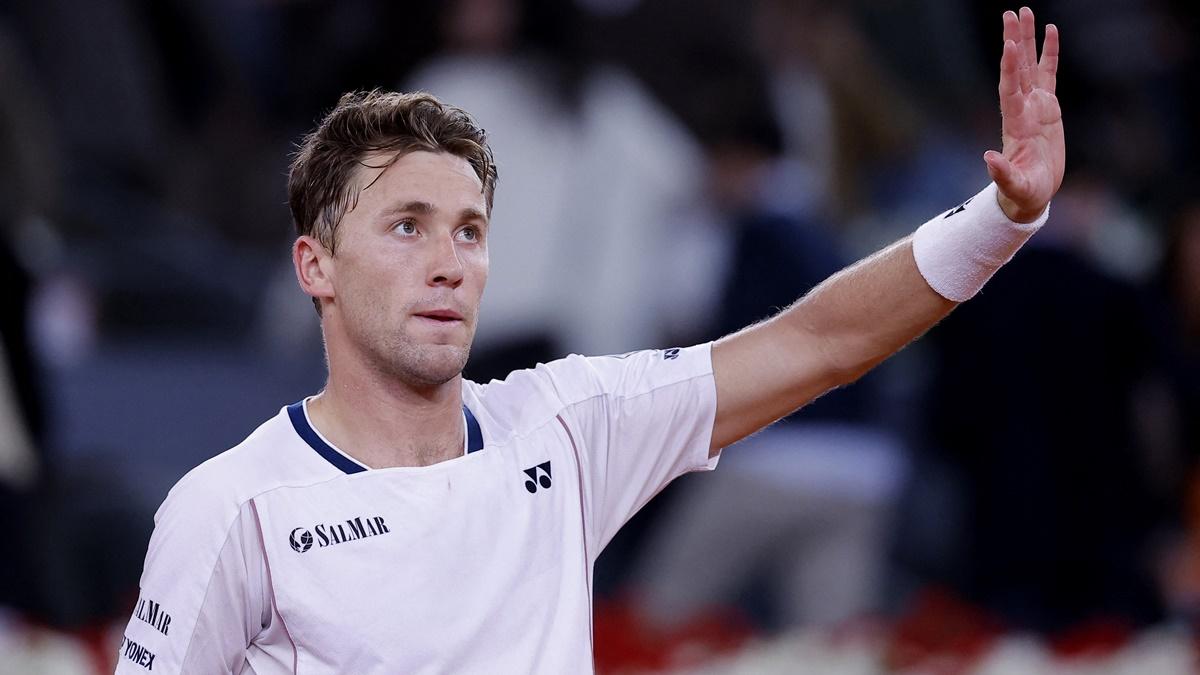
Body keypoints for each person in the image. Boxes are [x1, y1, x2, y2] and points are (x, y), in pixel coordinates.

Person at [116, 7, 1063, 673]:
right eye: (405, 226)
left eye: (471, 230)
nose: (449, 261)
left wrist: (1000, 217)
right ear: (315, 266)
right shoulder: (229, 508)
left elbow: (817, 342)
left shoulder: (565, 429)